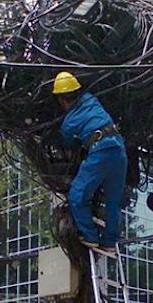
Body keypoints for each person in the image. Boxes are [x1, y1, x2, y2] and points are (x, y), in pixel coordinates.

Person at [52, 71, 128, 252]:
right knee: (113, 201)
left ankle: (90, 237)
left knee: (77, 196)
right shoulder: (91, 99)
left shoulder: (68, 123)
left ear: (61, 100)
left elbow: (68, 144)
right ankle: (110, 243)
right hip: (119, 151)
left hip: (99, 154)